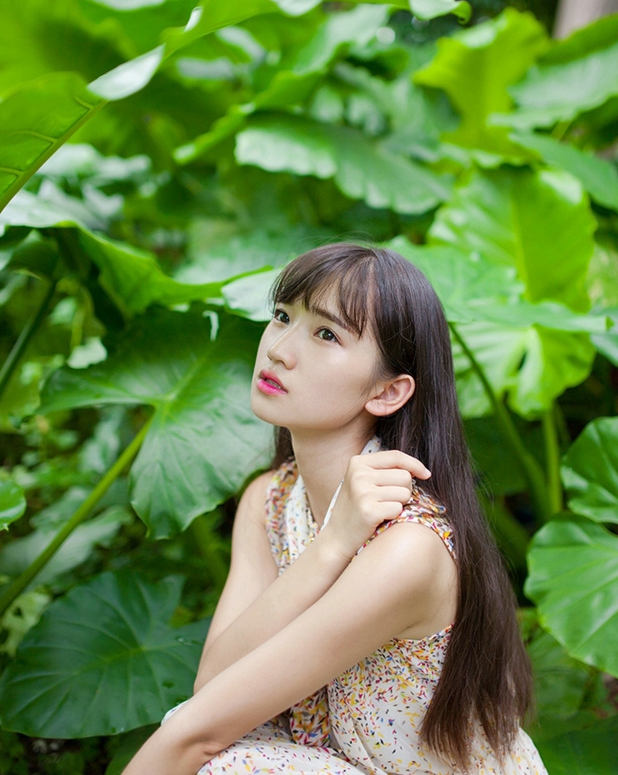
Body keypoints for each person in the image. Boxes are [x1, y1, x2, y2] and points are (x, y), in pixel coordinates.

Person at [123, 243, 548, 775]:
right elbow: (211, 688)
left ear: (388, 392)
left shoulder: (408, 548)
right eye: (282, 317)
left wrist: (343, 540)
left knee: (235, 766)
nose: (279, 349)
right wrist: (331, 545)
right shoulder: (272, 500)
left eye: (326, 334)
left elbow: (198, 732)